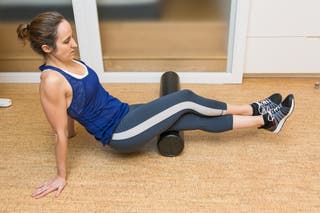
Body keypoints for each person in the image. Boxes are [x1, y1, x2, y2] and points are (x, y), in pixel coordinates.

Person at [17, 11, 295, 199]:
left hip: (125, 112)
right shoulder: (51, 81)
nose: (74, 44)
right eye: (67, 41)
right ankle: (254, 108)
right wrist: (60, 176)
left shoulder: (68, 62)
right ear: (46, 48)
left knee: (191, 117)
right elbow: (59, 132)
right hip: (120, 133)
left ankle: (266, 121)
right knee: (184, 98)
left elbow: (72, 108)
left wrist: (74, 130)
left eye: (72, 36)